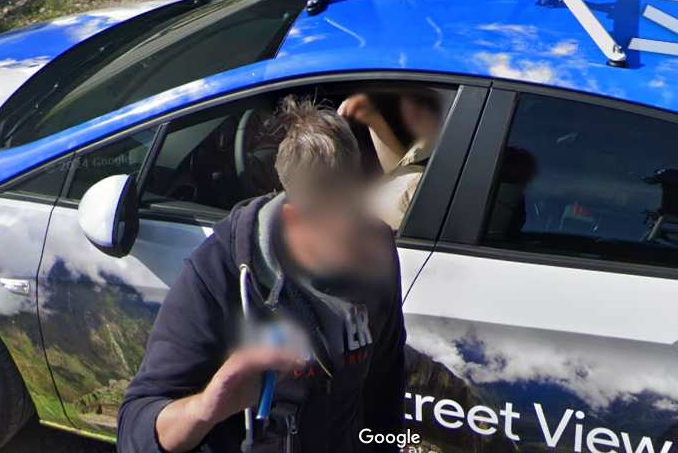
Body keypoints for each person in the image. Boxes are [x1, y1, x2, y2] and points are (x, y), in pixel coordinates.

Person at [118, 97, 406, 453]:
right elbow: (135, 430)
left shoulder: (376, 248)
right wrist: (207, 407)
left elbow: (385, 385)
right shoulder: (219, 271)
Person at [339, 89, 443, 230]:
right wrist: (373, 120)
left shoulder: (375, 209)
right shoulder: (452, 141)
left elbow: (402, 191)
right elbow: (401, 176)